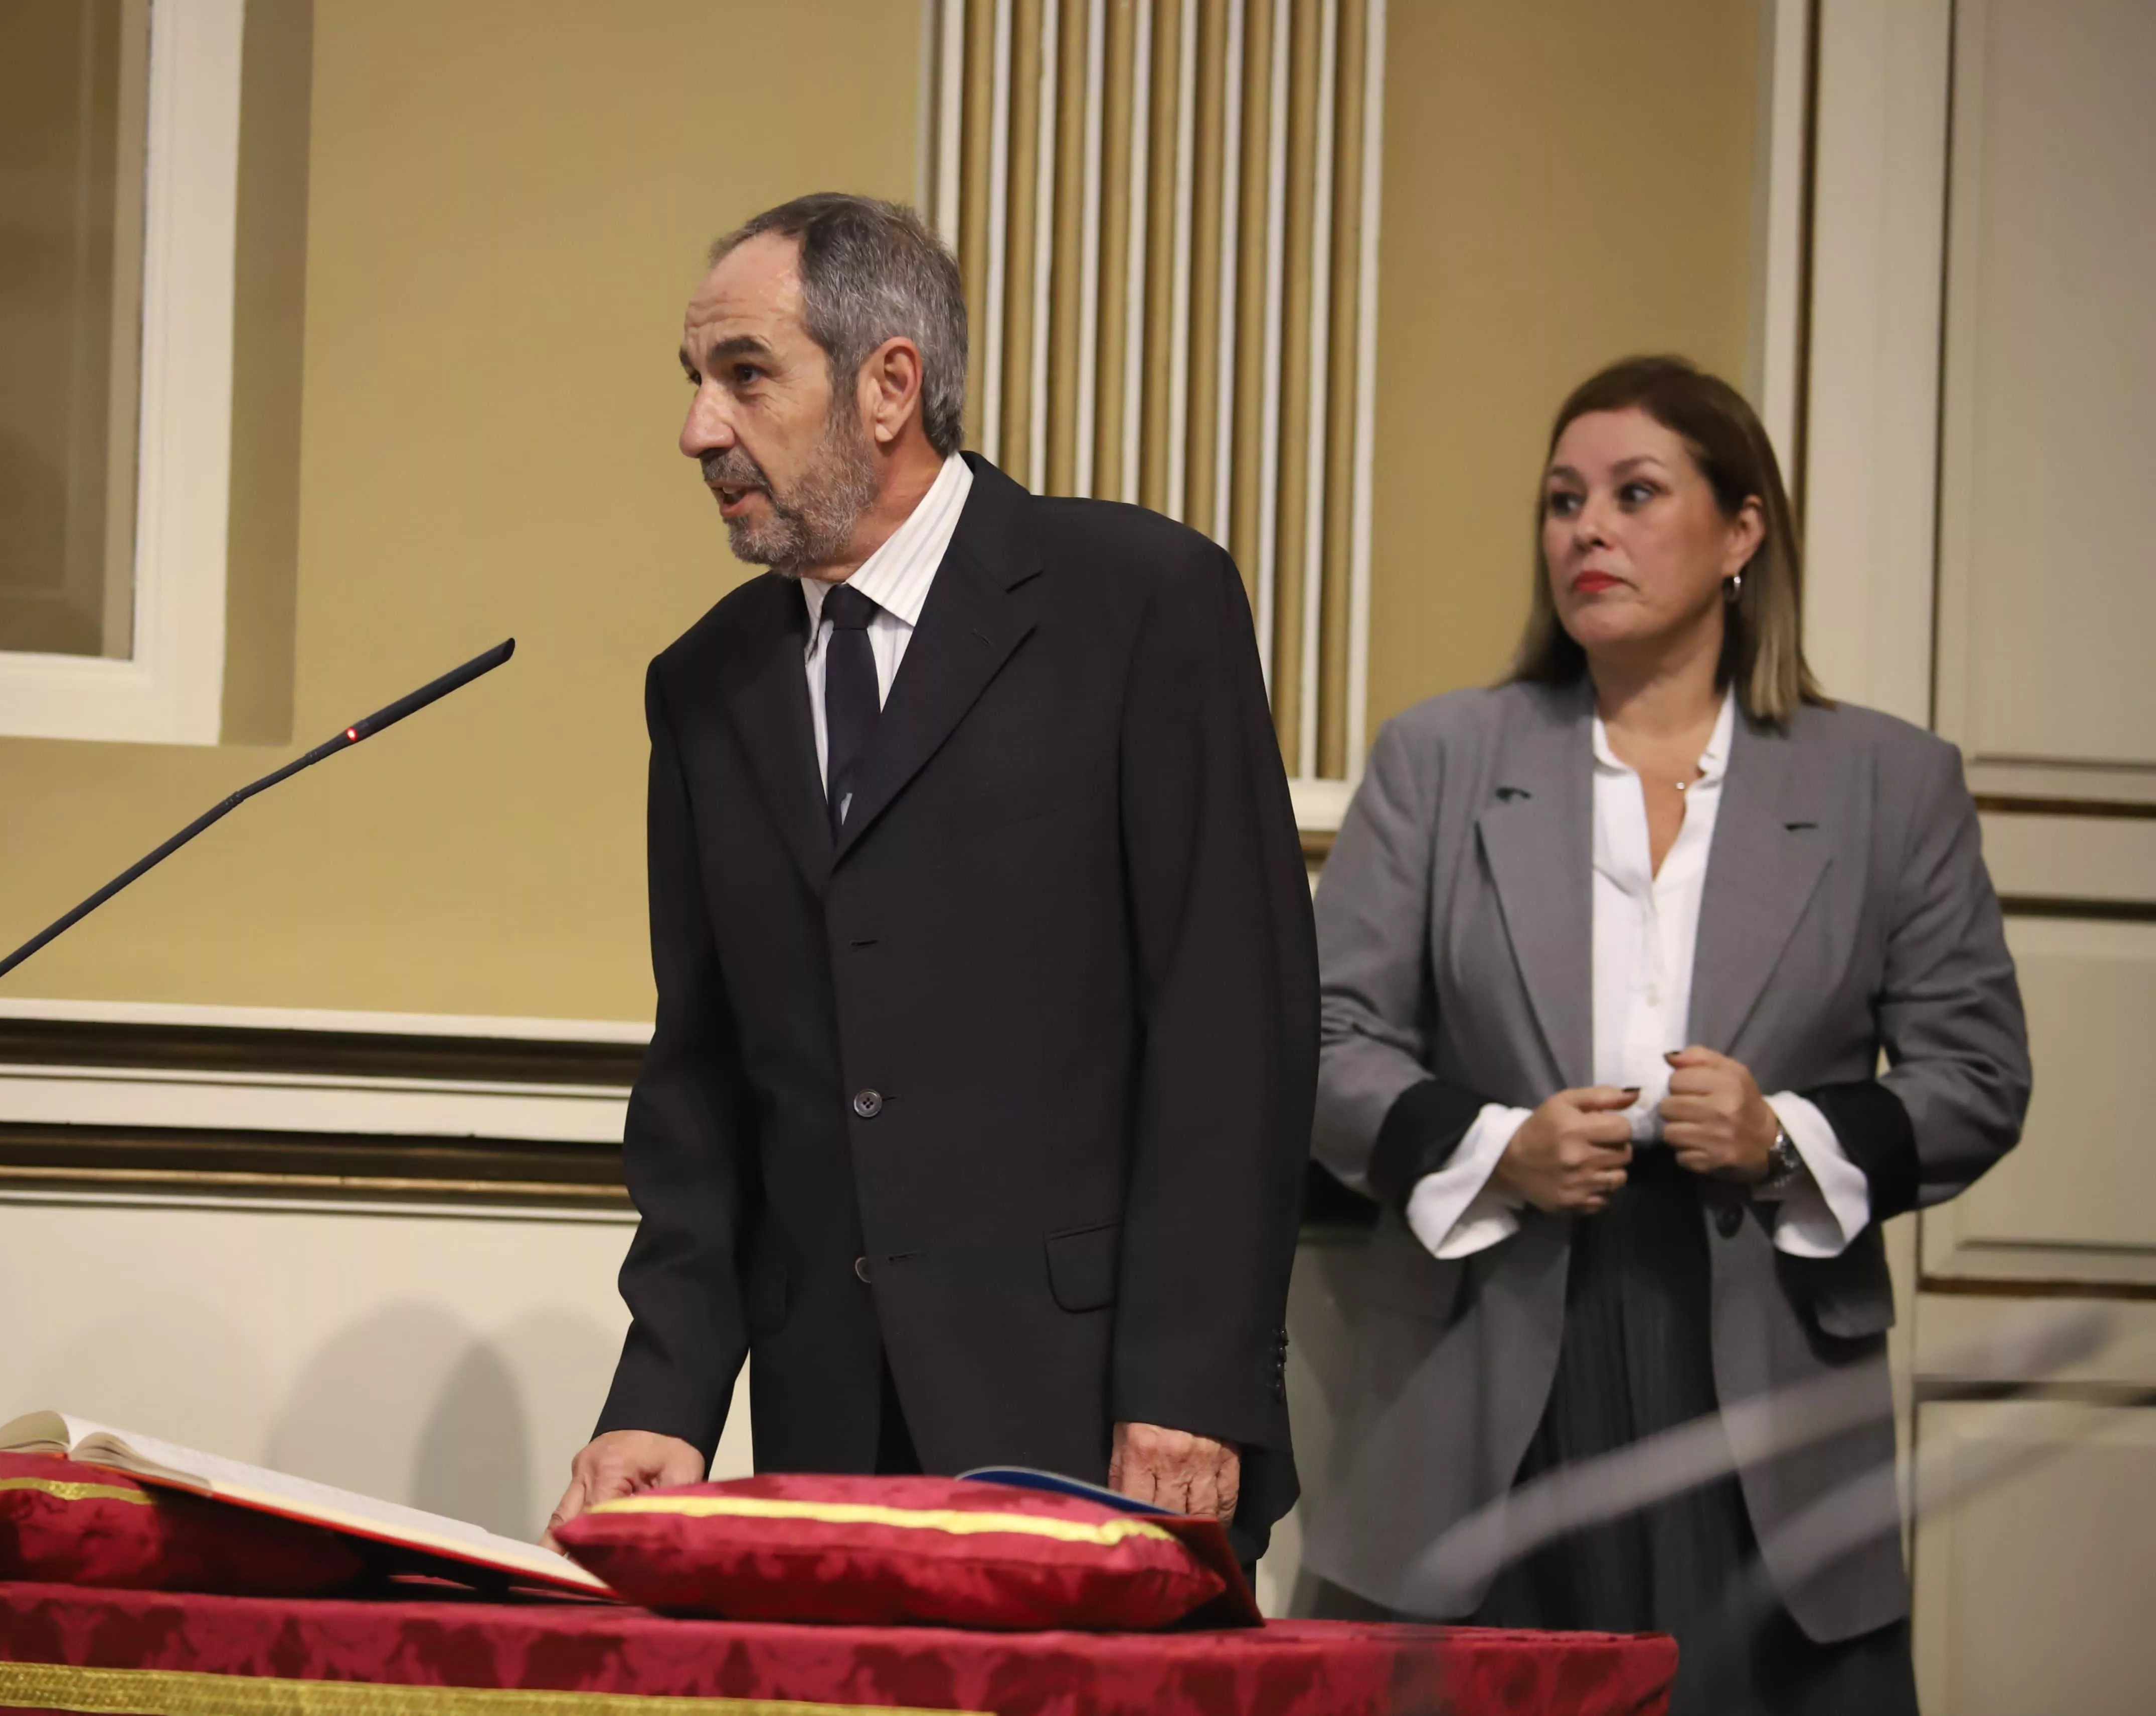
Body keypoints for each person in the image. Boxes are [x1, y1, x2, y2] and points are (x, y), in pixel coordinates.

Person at [545, 194, 1316, 1564]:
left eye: (745, 376)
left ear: (890, 383)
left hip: (1102, 1423)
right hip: (829, 1425)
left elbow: (1230, 1025)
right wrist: (665, 1390)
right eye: (696, 383)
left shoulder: (1140, 600)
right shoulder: (706, 685)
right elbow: (706, 1082)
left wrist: (1192, 1385)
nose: (699, 430)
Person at [1304, 355, 2028, 1710]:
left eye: (1637, 494)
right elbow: (1327, 1038)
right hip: (1493, 1338)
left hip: (1759, 1356)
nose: (1589, 530)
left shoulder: (1889, 781)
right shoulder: (1440, 757)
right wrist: (1496, 1143)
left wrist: (1785, 1135)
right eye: (1564, 501)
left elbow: (1980, 1076)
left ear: (1742, 531)